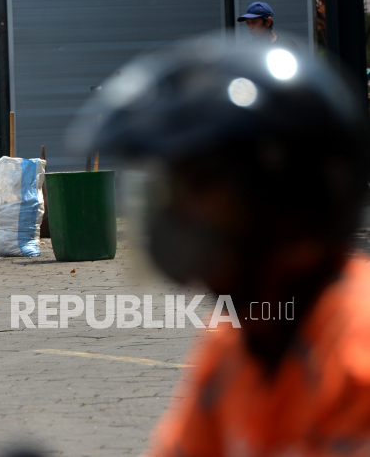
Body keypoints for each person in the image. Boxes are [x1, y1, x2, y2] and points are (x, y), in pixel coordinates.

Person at [80, 40, 370, 456]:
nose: (175, 210)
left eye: (200, 185)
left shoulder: (358, 360)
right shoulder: (236, 339)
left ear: (289, 196)